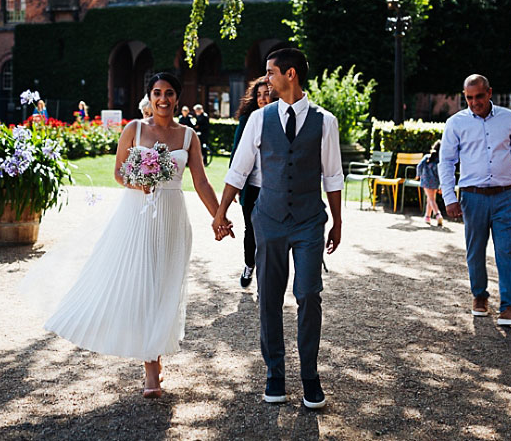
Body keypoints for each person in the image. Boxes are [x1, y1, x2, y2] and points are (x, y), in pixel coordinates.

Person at [40, 72, 220, 398]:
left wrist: (219, 216)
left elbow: (201, 182)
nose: (162, 99)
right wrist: (140, 182)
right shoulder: (133, 129)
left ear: (177, 97)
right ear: (149, 97)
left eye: (168, 93)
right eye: (156, 93)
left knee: (165, 287)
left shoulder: (188, 135)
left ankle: (155, 353)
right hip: (137, 215)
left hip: (172, 217)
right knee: (144, 285)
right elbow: (118, 173)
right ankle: (151, 369)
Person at [213, 48, 343, 410]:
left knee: (308, 295)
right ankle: (274, 373)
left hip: (308, 222)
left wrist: (337, 222)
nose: (265, 80)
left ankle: (310, 377)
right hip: (268, 220)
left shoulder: (325, 121)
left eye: (270, 73)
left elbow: (332, 176)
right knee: (269, 298)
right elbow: (239, 169)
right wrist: (221, 211)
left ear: (290, 74)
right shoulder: (259, 119)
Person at [438, 74, 511, 326]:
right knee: (475, 252)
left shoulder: (508, 118)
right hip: (472, 197)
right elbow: (446, 162)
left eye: (479, 96)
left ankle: (510, 307)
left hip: (505, 195)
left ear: (489, 93)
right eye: (469, 98)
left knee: (507, 250)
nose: (474, 102)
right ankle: (479, 296)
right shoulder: (455, 123)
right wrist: (449, 197)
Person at [230, 76, 274, 287]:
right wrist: (235, 186)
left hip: (274, 188)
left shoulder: (282, 119)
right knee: (251, 229)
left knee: (271, 233)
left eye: (267, 94)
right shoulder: (247, 120)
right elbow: (236, 152)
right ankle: (249, 265)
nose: (263, 99)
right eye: (259, 95)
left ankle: (266, 275)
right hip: (252, 187)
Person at [417, 140, 443, 226]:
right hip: (435, 182)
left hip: (426, 180)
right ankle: (427, 217)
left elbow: (419, 166)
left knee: (431, 199)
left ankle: (437, 214)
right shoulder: (439, 161)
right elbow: (440, 174)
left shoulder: (427, 157)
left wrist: (418, 175)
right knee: (430, 199)